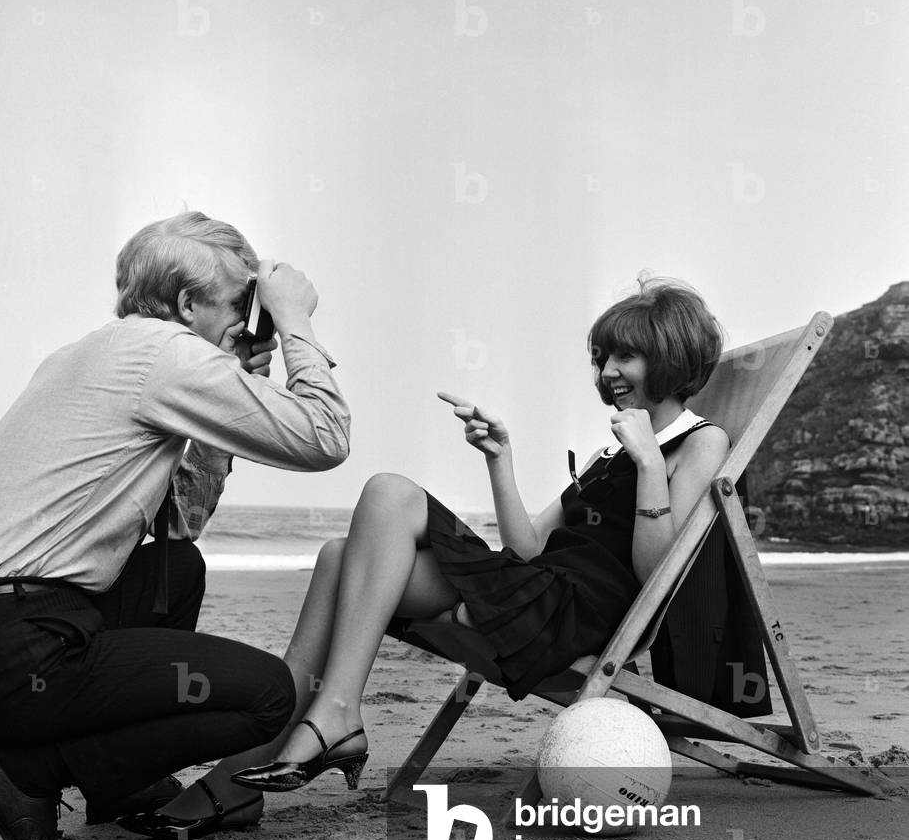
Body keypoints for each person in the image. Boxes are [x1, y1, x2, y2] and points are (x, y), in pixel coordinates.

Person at [0, 212, 350, 840]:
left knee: (178, 566)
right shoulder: (170, 356)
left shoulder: (94, 353)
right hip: (15, 650)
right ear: (185, 303)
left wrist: (234, 389)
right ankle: (25, 775)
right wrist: (294, 323)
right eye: (239, 303)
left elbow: (178, 524)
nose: (246, 316)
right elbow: (324, 437)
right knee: (267, 697)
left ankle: (118, 783)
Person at [215, 278, 732, 800]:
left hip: (575, 617)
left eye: (627, 356)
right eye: (605, 358)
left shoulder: (701, 442)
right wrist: (500, 460)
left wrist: (648, 462)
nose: (608, 371)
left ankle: (339, 715)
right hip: (538, 590)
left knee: (391, 493)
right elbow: (527, 550)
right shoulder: (612, 454)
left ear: (670, 356)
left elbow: (657, 574)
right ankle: (242, 777)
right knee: (338, 557)